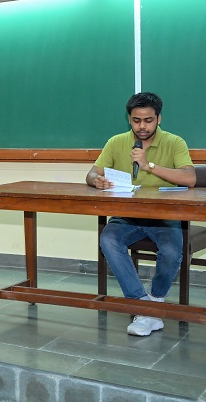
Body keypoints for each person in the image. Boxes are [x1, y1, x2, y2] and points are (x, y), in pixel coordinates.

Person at [86, 92, 196, 336]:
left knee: (171, 252)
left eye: (148, 120)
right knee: (108, 239)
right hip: (127, 215)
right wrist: (97, 181)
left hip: (164, 216)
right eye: (136, 121)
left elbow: (189, 178)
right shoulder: (116, 142)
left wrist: (149, 166)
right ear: (129, 119)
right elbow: (92, 173)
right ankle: (143, 305)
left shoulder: (174, 142)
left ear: (159, 119)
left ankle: (155, 297)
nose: (142, 126)